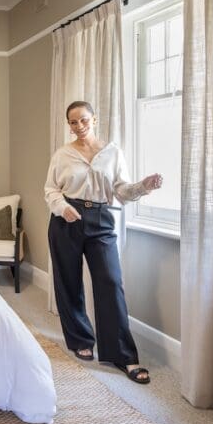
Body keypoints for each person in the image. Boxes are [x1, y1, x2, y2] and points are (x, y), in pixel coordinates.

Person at [44, 101, 162, 385]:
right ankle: (80, 339)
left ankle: (122, 355)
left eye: (84, 120)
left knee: (110, 282)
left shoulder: (112, 153)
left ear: (94, 119)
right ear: (69, 125)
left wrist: (143, 187)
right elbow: (50, 190)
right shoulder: (62, 155)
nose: (79, 126)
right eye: (73, 122)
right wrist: (62, 208)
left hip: (100, 219)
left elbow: (122, 191)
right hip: (66, 219)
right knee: (68, 282)